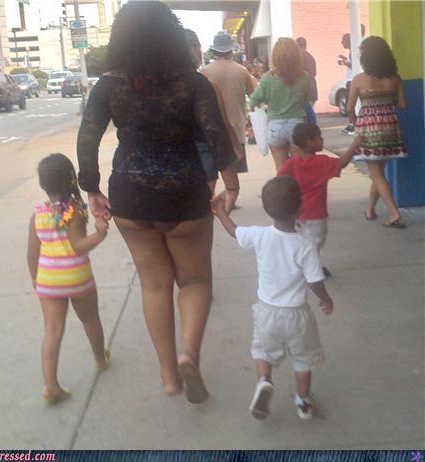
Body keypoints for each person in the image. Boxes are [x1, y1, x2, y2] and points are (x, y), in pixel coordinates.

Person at [77, 1, 240, 403]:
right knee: (195, 280)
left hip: (131, 195)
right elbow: (217, 136)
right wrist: (231, 184)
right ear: (172, 36)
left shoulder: (107, 86)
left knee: (154, 284)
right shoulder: (193, 83)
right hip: (185, 192)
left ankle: (168, 374)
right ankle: (189, 354)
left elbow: (87, 139)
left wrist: (92, 189)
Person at [212, 176, 333, 420]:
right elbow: (314, 281)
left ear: (267, 209)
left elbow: (234, 232)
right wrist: (325, 299)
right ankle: (303, 401)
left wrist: (220, 212)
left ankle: (264, 381)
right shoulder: (306, 245)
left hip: (267, 312)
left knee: (262, 351)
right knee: (302, 359)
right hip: (297, 314)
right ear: (300, 208)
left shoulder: (260, 235)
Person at [27, 153, 110, 405]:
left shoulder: (37, 215)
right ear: (71, 179)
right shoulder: (75, 212)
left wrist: (35, 279)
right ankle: (100, 359)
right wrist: (99, 234)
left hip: (48, 281)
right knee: (90, 318)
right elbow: (78, 246)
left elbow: (32, 254)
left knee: (52, 330)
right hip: (77, 278)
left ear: (43, 184)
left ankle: (50, 386)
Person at [278, 123, 362, 276]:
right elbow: (341, 163)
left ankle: (301, 265)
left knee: (301, 242)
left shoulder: (291, 163)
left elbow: (280, 181)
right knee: (314, 244)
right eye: (319, 138)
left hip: (297, 214)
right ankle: (312, 269)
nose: (323, 140)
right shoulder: (321, 162)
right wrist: (354, 146)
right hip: (316, 213)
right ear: (309, 142)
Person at [347, 36, 407, 228]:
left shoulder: (359, 79)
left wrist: (356, 121)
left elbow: (349, 108)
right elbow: (403, 105)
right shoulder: (395, 78)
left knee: (377, 174)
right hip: (390, 127)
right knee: (378, 172)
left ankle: (393, 212)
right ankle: (370, 210)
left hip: (369, 129)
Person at [185, 28, 243, 196]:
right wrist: (231, 184)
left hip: (169, 162)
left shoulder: (157, 88)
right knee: (204, 204)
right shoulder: (205, 83)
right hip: (203, 153)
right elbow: (218, 125)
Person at [249, 37, 311, 171]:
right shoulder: (305, 77)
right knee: (299, 168)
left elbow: (254, 100)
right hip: (297, 125)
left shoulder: (267, 78)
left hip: (275, 126)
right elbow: (307, 101)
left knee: (281, 168)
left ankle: (284, 184)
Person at [202, 32, 256, 175]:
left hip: (213, 128)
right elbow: (253, 96)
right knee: (233, 176)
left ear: (214, 51)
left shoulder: (205, 72)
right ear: (231, 50)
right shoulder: (242, 71)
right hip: (237, 128)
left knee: (211, 174)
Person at [338, 25, 366, 135]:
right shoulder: (353, 50)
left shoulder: (355, 49)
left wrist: (343, 62)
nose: (341, 42)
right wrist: (345, 59)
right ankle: (353, 123)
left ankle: (353, 124)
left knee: (350, 103)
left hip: (352, 80)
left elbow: (354, 64)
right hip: (351, 79)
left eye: (343, 40)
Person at [296, 37, 318, 124]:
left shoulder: (300, 58)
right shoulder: (311, 58)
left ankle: (311, 128)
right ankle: (312, 128)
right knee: (309, 112)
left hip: (305, 90)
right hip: (312, 89)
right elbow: (314, 73)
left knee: (306, 114)